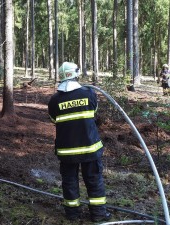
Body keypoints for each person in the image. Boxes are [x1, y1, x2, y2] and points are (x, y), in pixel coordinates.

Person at [48, 62, 111, 222]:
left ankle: (72, 214)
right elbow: (94, 112)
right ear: (76, 75)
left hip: (67, 151)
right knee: (94, 180)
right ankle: (98, 214)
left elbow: (53, 119)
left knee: (69, 181)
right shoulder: (89, 93)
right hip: (90, 148)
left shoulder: (54, 100)